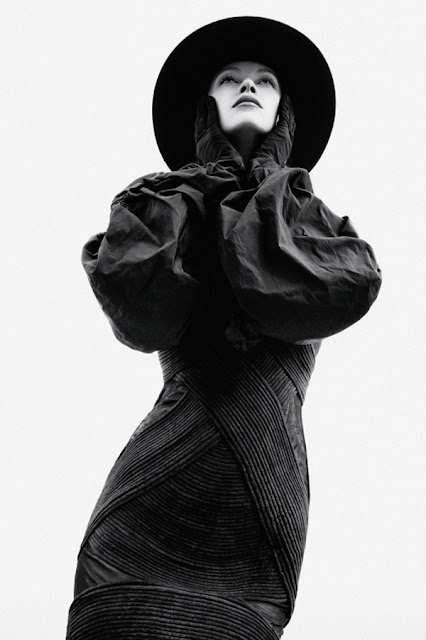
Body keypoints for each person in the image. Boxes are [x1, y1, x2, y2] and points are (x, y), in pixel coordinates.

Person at [65, 17, 382, 640]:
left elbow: (322, 297)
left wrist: (257, 190)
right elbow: (142, 314)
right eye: (230, 79)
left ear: (284, 110)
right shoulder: (157, 202)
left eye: (265, 81)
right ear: (205, 104)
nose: (249, 86)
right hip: (149, 498)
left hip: (261, 502)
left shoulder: (320, 226)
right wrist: (201, 190)